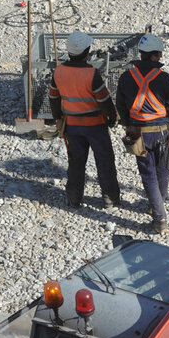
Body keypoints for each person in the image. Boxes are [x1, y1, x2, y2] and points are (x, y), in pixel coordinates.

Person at [116, 34, 169, 234]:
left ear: (142, 54)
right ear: (157, 55)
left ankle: (158, 213)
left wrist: (126, 124)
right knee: (162, 169)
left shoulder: (126, 77)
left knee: (147, 173)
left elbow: (120, 106)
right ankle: (158, 211)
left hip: (136, 131)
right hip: (162, 132)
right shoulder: (164, 78)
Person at [48, 31, 120, 208]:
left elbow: (53, 97)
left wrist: (58, 117)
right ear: (87, 52)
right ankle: (109, 197)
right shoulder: (91, 74)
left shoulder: (59, 71)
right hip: (95, 126)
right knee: (104, 161)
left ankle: (74, 198)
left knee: (76, 163)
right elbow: (104, 100)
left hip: (72, 126)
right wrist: (112, 117)